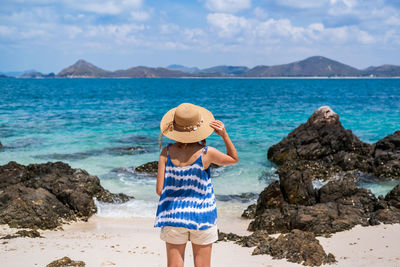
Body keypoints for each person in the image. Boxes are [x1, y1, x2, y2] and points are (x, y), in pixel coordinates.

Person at [154, 103, 238, 267]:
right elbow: (233, 159)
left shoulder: (166, 152)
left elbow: (160, 190)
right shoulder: (207, 153)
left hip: (173, 217)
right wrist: (224, 135)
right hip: (202, 217)